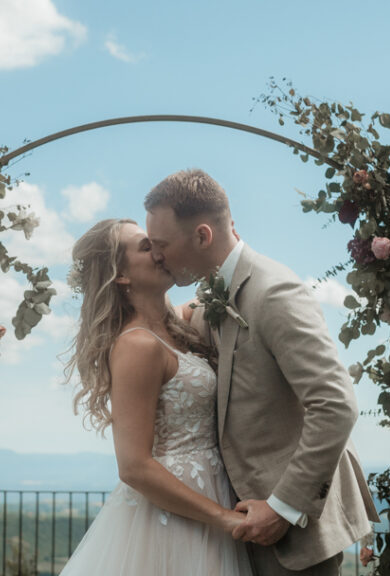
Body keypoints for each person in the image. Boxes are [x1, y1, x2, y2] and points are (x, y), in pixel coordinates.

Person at [145, 169, 379, 575]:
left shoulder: (274, 292)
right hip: (238, 525)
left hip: (292, 531)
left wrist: (283, 507)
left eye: (162, 245)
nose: (158, 256)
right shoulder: (209, 295)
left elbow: (336, 405)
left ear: (203, 236)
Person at [59, 218, 253, 575]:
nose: (160, 252)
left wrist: (223, 244)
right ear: (121, 276)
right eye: (146, 247)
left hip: (212, 492)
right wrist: (222, 518)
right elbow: (133, 466)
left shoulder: (178, 323)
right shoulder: (137, 345)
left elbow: (220, 279)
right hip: (176, 516)